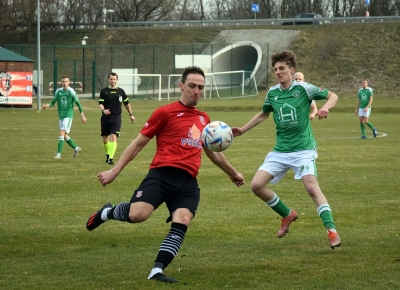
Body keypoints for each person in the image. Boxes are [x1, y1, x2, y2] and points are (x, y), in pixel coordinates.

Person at [86, 66, 245, 283]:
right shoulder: (165, 112)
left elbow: (210, 151)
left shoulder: (204, 119)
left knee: (183, 219)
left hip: (187, 182)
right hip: (161, 175)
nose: (196, 91)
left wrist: (232, 173)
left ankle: (156, 271)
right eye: (192, 86)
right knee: (137, 215)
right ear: (181, 86)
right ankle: (107, 213)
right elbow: (138, 144)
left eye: (200, 87)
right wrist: (114, 171)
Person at [232, 50, 341, 249]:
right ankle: (287, 214)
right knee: (256, 185)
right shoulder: (272, 93)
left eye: (282, 68)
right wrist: (242, 130)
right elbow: (263, 114)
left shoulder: (304, 89)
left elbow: (333, 96)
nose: (278, 72)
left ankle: (331, 230)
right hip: (281, 150)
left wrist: (326, 107)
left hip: (303, 150)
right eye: (275, 69)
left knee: (311, 187)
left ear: (292, 70)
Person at [43, 75, 87, 159]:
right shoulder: (58, 91)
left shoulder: (71, 91)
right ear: (61, 82)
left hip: (68, 115)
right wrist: (47, 105)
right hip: (61, 116)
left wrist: (83, 116)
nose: (64, 83)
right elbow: (53, 102)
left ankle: (58, 154)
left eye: (66, 81)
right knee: (65, 135)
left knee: (61, 132)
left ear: (69, 82)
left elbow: (78, 104)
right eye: (63, 81)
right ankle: (76, 148)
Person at [99, 72, 135, 165]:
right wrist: (103, 110)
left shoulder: (121, 92)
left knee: (113, 136)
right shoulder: (104, 91)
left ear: (117, 80)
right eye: (111, 79)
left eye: (114, 79)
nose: (113, 81)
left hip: (116, 117)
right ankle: (108, 154)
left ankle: (110, 158)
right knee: (105, 139)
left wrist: (131, 114)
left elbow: (127, 103)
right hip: (106, 118)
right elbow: (100, 103)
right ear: (108, 80)